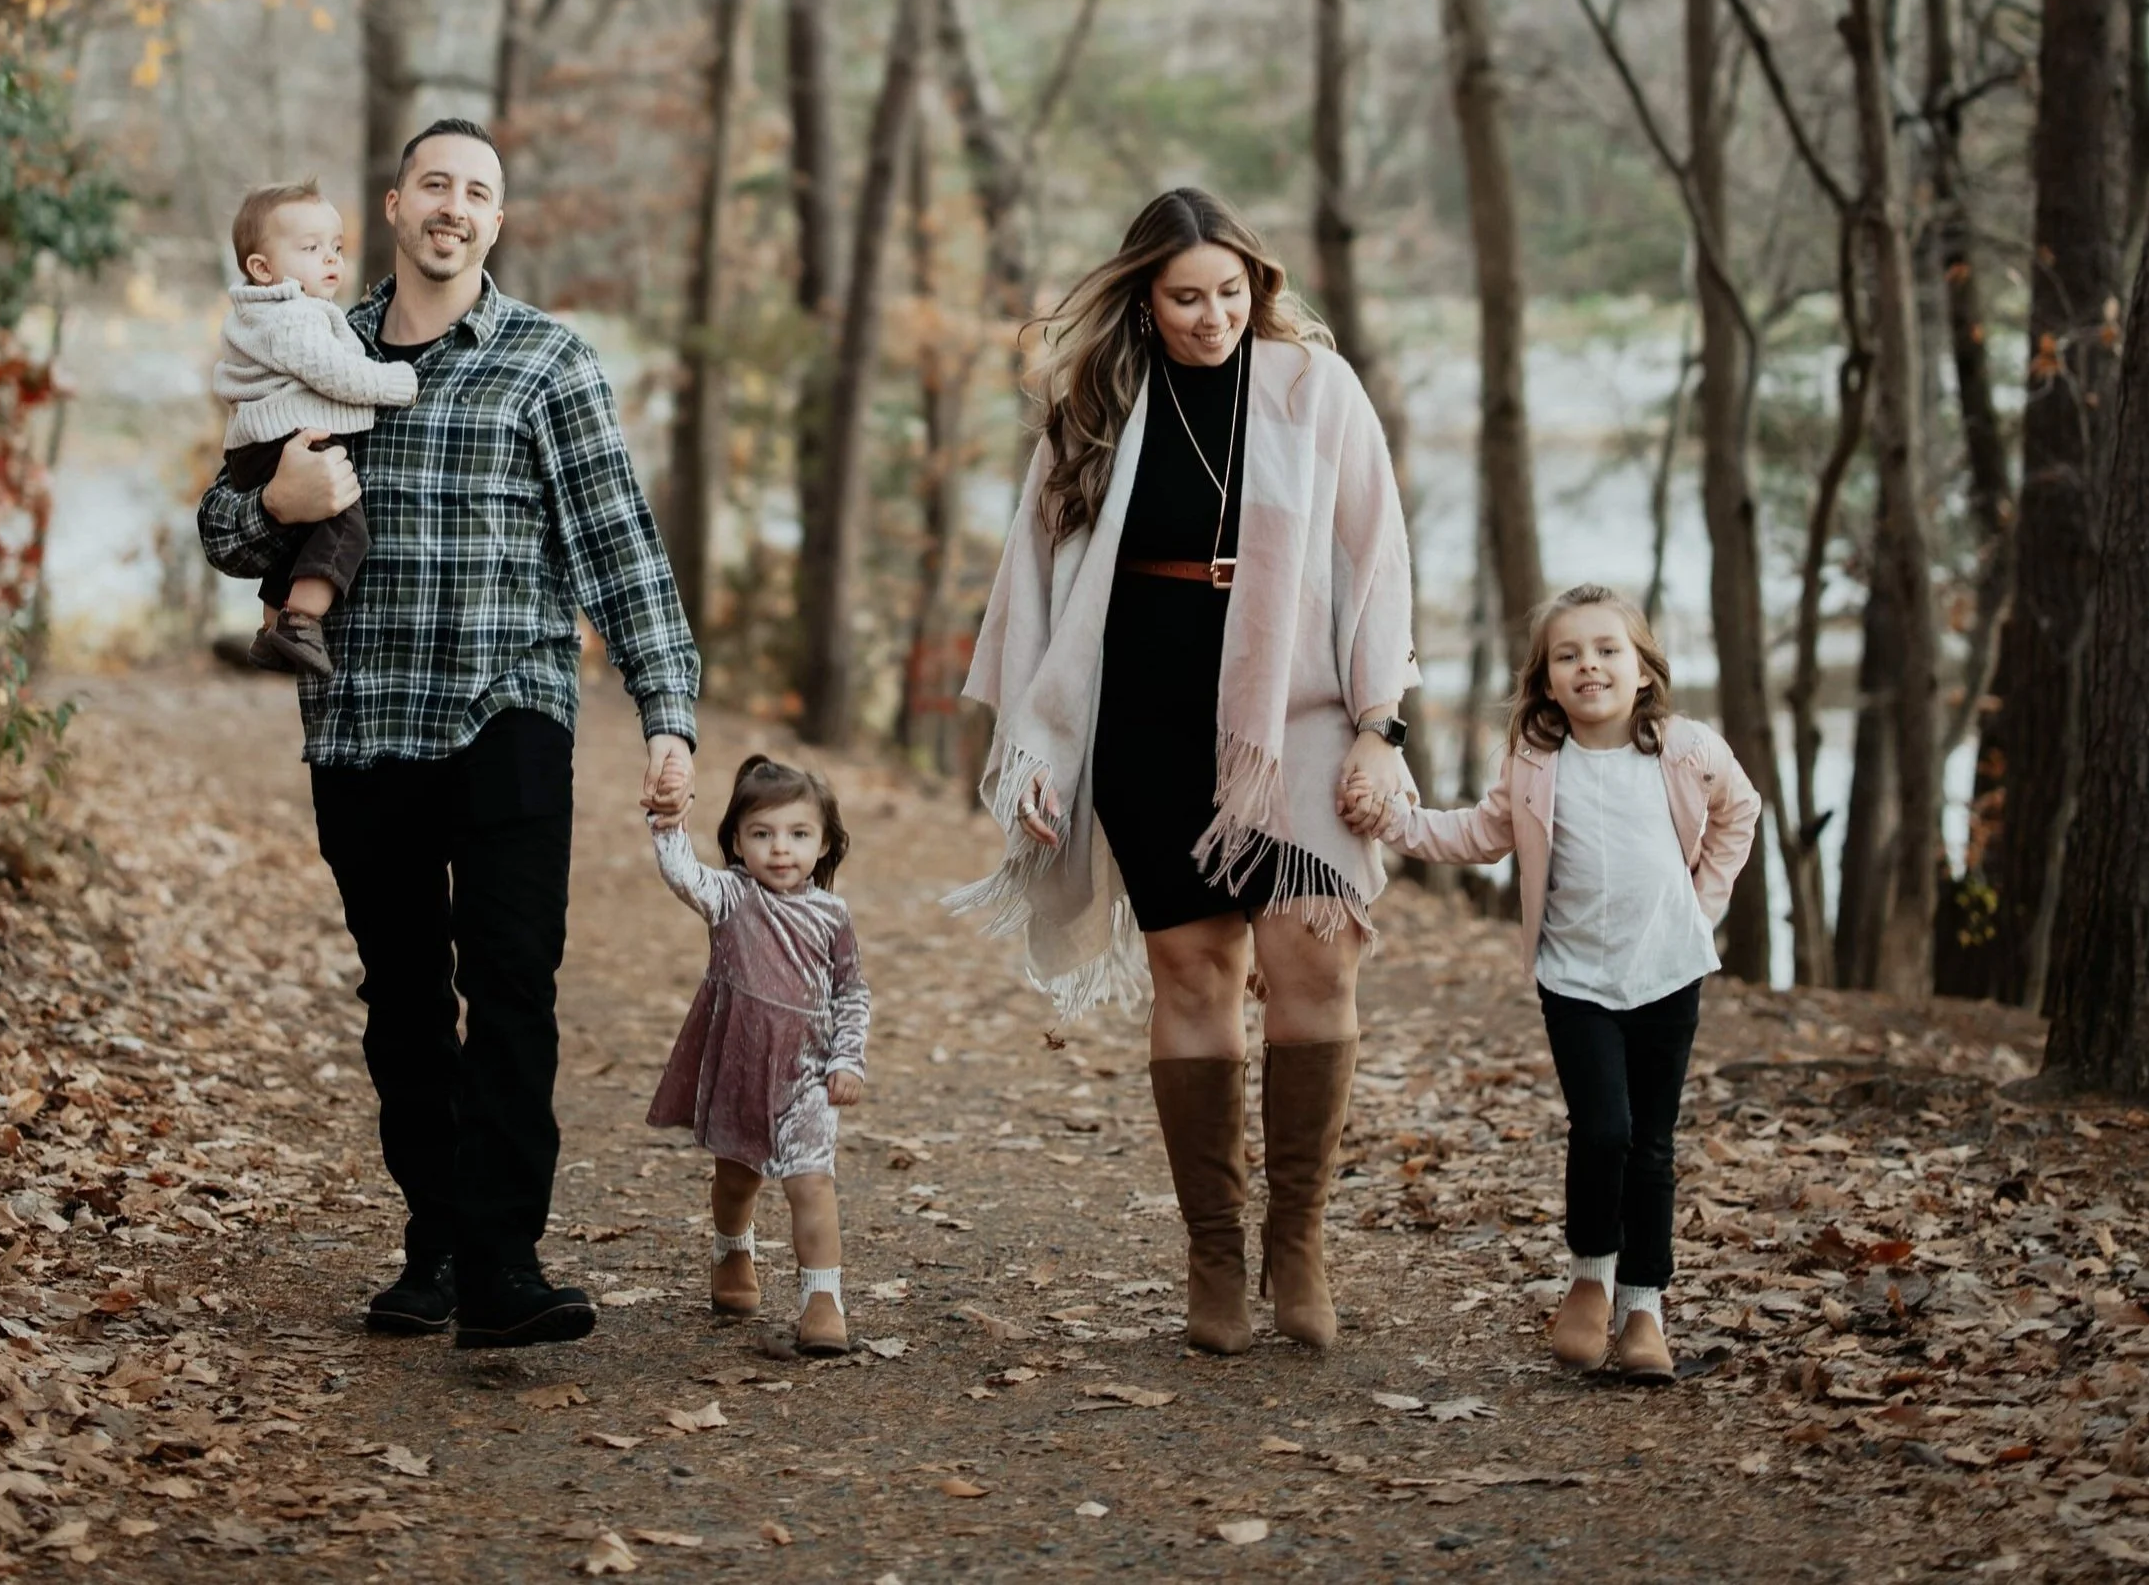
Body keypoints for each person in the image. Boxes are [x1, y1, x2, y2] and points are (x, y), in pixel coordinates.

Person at [196, 120, 699, 1350]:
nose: (454, 207)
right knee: (407, 999)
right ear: (394, 204)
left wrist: (667, 708)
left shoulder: (548, 361)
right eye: (436, 184)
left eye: (478, 191)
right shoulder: (311, 340)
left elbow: (617, 547)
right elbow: (222, 529)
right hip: (363, 719)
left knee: (514, 983)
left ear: (497, 219)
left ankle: (503, 1262)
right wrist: (275, 503)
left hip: (508, 709)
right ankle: (434, 1239)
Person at [951, 187, 1418, 1357]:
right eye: (1184, 298)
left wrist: (1379, 722)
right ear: (1142, 301)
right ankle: (1215, 1252)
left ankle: (1296, 1242)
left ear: (1256, 286)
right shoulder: (1098, 407)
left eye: (1228, 293)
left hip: (1294, 713)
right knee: (1195, 969)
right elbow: (1042, 588)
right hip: (1148, 715)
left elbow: (1376, 560)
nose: (1211, 317)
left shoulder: (1317, 390)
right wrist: (1043, 746)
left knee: (1313, 957)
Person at [1344, 582, 1760, 1383]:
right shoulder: (1538, 760)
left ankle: (1645, 1309)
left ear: (1643, 670)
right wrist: (1391, 820)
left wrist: (1697, 906)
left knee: (1651, 1145)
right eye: (1568, 655)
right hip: (1574, 978)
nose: (1589, 666)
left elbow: (1741, 814)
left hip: (1669, 973)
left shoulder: (1685, 748)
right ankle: (1588, 1278)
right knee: (1602, 1129)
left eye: (1608, 651)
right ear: (1545, 680)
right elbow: (1478, 832)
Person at [644, 754, 870, 1355]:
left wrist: (848, 1059)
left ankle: (823, 1298)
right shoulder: (729, 896)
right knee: (738, 1179)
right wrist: (668, 821)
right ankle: (732, 1250)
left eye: (798, 834)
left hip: (808, 1075)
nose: (780, 849)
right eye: (762, 834)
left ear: (823, 843)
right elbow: (682, 874)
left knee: (811, 1182)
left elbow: (851, 991)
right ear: (738, 843)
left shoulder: (832, 914)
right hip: (743, 1067)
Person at [211, 181, 419, 678]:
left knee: (302, 537)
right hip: (286, 440)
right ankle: (300, 621)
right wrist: (397, 381)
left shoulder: (266, 314)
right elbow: (337, 374)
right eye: (310, 248)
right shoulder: (292, 317)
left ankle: (268, 628)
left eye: (336, 247)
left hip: (259, 445)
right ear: (262, 268)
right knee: (345, 526)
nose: (330, 259)